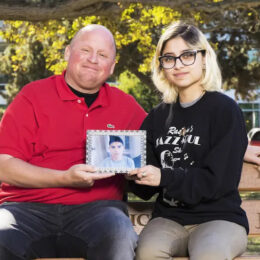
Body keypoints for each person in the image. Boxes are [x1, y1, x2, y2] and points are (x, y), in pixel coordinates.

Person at [0, 24, 147, 260]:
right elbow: (3, 166)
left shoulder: (127, 107)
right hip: (25, 209)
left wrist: (137, 172)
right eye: (85, 50)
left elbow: (152, 160)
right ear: (68, 53)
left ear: (112, 66)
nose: (93, 60)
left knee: (120, 234)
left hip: (99, 212)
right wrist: (64, 178)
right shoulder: (32, 96)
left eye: (102, 55)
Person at [128, 21, 249, 260]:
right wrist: (129, 172)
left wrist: (163, 176)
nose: (178, 65)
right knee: (147, 252)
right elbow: (143, 190)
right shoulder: (157, 116)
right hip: (169, 219)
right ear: (162, 65)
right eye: (169, 58)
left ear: (203, 58)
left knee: (208, 254)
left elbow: (218, 182)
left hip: (219, 218)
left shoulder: (225, 110)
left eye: (187, 55)